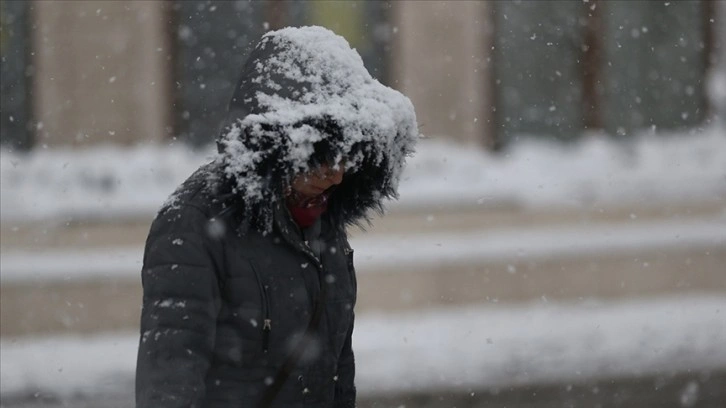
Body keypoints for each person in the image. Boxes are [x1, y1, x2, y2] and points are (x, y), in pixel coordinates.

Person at [135, 26, 418, 408]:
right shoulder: (191, 223)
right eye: (320, 155)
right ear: (277, 145)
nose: (335, 175)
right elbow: (171, 375)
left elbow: (338, 370)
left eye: (347, 157)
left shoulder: (323, 222)